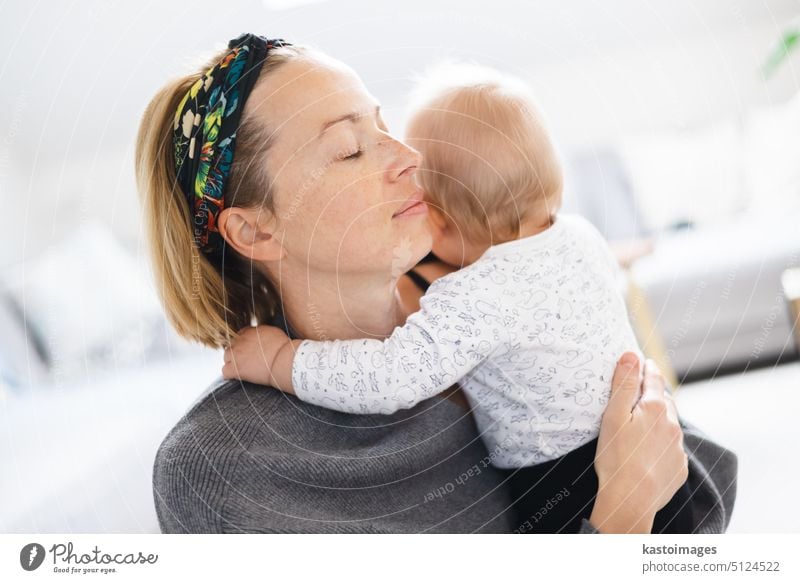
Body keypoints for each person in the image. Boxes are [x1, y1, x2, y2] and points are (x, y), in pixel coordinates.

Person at [135, 33, 737, 533]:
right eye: (349, 150)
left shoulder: (481, 291)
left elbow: (701, 476)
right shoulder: (226, 465)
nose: (409, 157)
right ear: (255, 230)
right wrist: (621, 519)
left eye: (384, 126)